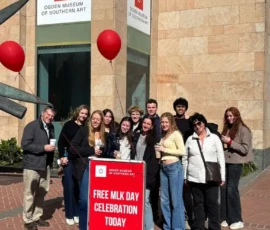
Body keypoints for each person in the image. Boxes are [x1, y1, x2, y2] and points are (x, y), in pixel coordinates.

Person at [183, 113, 225, 230]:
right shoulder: (190, 139)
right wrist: (185, 176)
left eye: (199, 123)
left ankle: (214, 228)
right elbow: (185, 158)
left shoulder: (214, 138)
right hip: (195, 178)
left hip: (211, 178)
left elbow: (221, 157)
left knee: (213, 205)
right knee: (198, 205)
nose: (197, 126)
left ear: (204, 123)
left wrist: (223, 176)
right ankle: (199, 227)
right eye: (194, 125)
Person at [21, 106, 56, 230]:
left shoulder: (51, 127)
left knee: (41, 193)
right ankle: (28, 220)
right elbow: (24, 144)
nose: (50, 117)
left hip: (45, 165)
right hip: (32, 166)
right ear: (42, 113)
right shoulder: (32, 126)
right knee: (29, 194)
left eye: (52, 116)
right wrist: (43, 148)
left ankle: (37, 217)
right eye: (48, 114)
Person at [70, 110, 106, 230]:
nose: (95, 121)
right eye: (93, 118)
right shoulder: (83, 131)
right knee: (85, 199)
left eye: (98, 119)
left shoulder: (103, 134)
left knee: (98, 199)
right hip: (86, 166)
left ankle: (95, 224)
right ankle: (83, 226)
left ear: (101, 122)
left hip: (100, 169)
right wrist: (91, 151)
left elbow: (106, 151)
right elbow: (73, 148)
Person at [220, 107, 253, 230]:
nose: (229, 118)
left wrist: (230, 142)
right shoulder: (227, 129)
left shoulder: (243, 130)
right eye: (227, 116)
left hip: (236, 164)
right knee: (223, 190)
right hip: (225, 163)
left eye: (232, 115)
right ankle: (225, 217)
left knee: (231, 190)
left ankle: (237, 219)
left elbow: (244, 149)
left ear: (237, 116)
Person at [57, 105, 89, 226]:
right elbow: (61, 142)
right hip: (69, 159)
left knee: (78, 187)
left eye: (86, 114)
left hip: (80, 161)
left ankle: (77, 213)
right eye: (82, 113)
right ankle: (69, 214)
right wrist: (61, 156)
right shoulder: (69, 125)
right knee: (69, 185)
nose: (84, 115)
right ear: (77, 113)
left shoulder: (87, 127)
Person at [155, 112, 185, 230]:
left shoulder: (176, 134)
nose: (164, 124)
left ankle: (177, 228)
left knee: (175, 200)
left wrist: (164, 148)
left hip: (174, 168)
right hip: (163, 168)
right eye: (162, 122)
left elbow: (182, 151)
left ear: (171, 122)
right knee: (164, 200)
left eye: (166, 122)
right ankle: (168, 226)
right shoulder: (163, 135)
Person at [133, 115, 159, 230]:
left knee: (146, 202)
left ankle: (149, 227)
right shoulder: (136, 135)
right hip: (134, 174)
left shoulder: (153, 140)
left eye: (148, 124)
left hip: (146, 175)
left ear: (152, 126)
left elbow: (153, 163)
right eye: (144, 123)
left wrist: (149, 179)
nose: (146, 125)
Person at [173, 97, 194, 229]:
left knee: (186, 190)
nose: (180, 108)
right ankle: (177, 216)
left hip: (186, 158)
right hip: (174, 157)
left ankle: (189, 218)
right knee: (175, 189)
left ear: (185, 108)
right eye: (178, 106)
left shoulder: (190, 122)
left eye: (182, 106)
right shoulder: (172, 121)